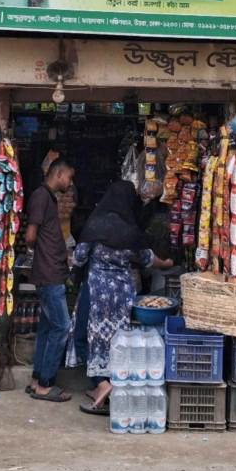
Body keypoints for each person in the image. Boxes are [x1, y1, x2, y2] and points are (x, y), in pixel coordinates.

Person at [73, 180, 173, 415]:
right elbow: (147, 259)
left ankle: (101, 383)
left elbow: (79, 257)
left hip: (96, 292)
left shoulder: (95, 225)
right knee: (117, 340)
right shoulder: (131, 231)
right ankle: (109, 384)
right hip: (122, 294)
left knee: (85, 336)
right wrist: (167, 263)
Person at [26, 157, 75, 403]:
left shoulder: (48, 198)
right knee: (62, 327)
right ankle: (45, 384)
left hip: (51, 271)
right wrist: (45, 253)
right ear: (58, 174)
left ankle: (37, 380)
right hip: (49, 274)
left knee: (47, 328)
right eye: (69, 177)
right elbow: (30, 236)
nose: (70, 182)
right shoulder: (41, 196)